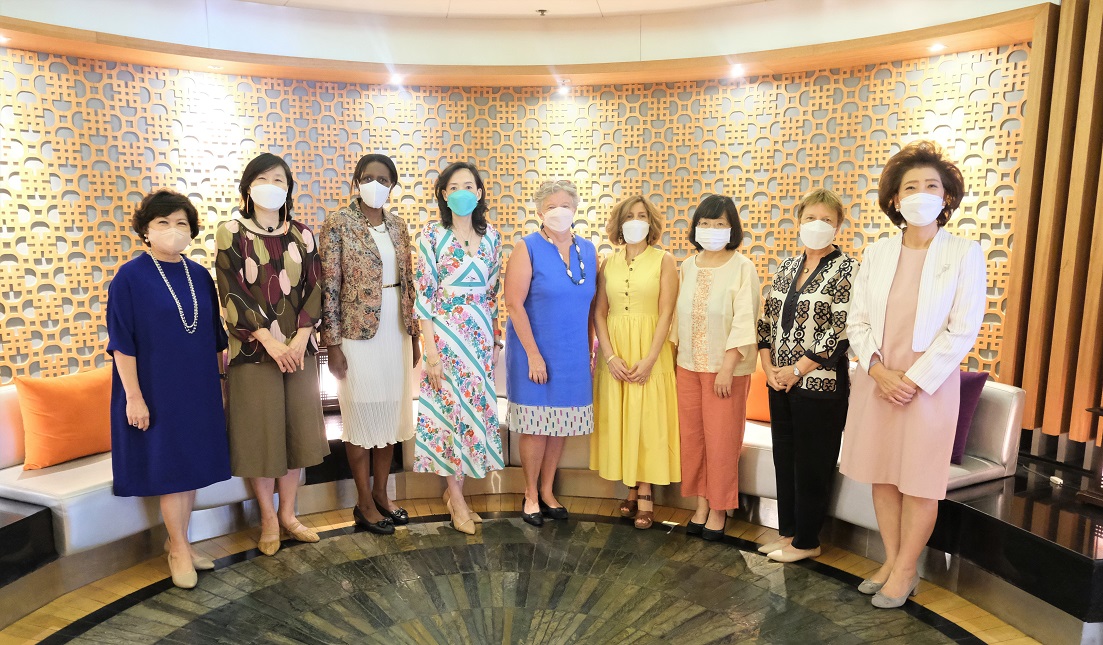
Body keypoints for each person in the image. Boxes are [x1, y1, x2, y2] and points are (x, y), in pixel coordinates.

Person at [840, 141, 986, 608]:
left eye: (930, 186)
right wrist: (879, 372)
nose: (920, 193)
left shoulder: (964, 253)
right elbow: (856, 320)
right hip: (876, 381)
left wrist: (913, 380)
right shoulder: (877, 252)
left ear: (946, 198)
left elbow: (963, 330)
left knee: (918, 482)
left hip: (929, 388)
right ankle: (890, 559)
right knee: (882, 476)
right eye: (910, 187)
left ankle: (906, 571)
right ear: (895, 200)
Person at [107, 189, 231, 589]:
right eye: (163, 223)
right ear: (146, 230)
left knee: (191, 467)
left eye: (181, 223)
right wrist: (134, 397)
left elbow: (215, 338)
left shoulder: (199, 276)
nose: (173, 230)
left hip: (198, 389)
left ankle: (179, 540)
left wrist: (222, 386)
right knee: (172, 471)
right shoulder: (129, 276)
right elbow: (121, 343)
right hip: (155, 390)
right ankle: (178, 547)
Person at [214, 152, 330, 557]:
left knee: (297, 434)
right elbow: (230, 291)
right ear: (248, 186)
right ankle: (267, 518)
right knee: (261, 439)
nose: (272, 185)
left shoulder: (303, 235)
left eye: (280, 179)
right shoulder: (230, 232)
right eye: (263, 178)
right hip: (253, 351)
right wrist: (269, 339)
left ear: (288, 189)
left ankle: (289, 514)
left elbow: (316, 289)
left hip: (299, 350)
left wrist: (299, 339)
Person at [319, 153, 420, 536]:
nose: (375, 184)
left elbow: (408, 283)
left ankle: (382, 493)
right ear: (356, 182)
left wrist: (413, 333)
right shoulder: (338, 223)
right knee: (361, 419)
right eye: (368, 177)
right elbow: (329, 287)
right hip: (356, 336)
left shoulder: (398, 225)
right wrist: (333, 344)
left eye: (383, 178)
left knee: (389, 418)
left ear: (392, 186)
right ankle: (362, 502)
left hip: (395, 330)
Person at [756, 188, 858, 562]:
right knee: (785, 456)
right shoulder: (786, 266)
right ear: (798, 221)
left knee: (813, 461)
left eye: (827, 220)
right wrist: (769, 369)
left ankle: (808, 541)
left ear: (838, 227)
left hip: (820, 383)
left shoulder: (847, 269)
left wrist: (798, 370)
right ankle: (789, 534)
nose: (818, 225)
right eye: (811, 218)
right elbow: (766, 322)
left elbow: (843, 330)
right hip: (779, 382)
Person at [413, 161, 504, 535]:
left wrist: (495, 338)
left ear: (480, 193)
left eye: (469, 185)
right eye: (454, 186)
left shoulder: (494, 238)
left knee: (471, 417)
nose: (462, 191)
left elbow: (494, 295)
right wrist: (430, 355)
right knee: (450, 416)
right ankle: (457, 500)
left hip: (480, 343)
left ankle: (457, 496)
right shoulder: (430, 238)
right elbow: (423, 301)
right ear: (444, 195)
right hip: (446, 344)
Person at [504, 179, 598, 527]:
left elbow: (591, 308)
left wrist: (589, 352)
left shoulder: (588, 250)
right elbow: (513, 304)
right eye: (552, 205)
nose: (560, 211)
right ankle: (529, 493)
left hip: (572, 354)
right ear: (540, 211)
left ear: (575, 209)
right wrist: (533, 354)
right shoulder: (526, 247)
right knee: (536, 426)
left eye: (566, 205)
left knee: (560, 425)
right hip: (534, 352)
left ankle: (547, 490)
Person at [673, 195, 760, 541]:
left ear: (732, 228)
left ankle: (720, 508)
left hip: (726, 371)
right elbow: (677, 318)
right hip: (687, 367)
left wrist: (727, 367)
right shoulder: (687, 266)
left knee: (722, 442)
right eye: (705, 224)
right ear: (695, 228)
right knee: (693, 440)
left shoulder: (742, 267)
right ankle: (700, 504)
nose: (711, 230)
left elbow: (745, 320)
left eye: (720, 224)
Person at [591, 195, 680, 529]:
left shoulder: (664, 260)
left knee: (646, 418)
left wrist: (651, 358)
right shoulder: (608, 263)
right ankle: (630, 485)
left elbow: (667, 313)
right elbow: (600, 311)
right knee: (622, 417)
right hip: (615, 350)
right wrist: (609, 355)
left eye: (642, 215)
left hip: (650, 349)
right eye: (629, 216)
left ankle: (645, 492)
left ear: (651, 223)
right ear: (619, 223)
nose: (635, 221)